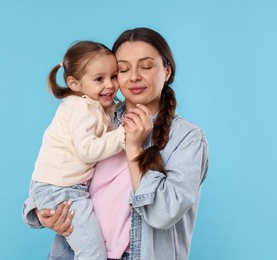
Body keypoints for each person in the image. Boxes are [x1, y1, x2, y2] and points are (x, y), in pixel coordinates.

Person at [22, 28, 209, 260]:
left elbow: (163, 213)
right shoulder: (96, 117)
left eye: (147, 66)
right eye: (122, 69)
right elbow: (52, 171)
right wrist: (43, 213)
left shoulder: (187, 139)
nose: (133, 77)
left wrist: (133, 148)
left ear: (167, 70)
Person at [28, 40, 126, 260]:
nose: (110, 85)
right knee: (92, 253)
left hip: (59, 187)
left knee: (72, 250)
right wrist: (123, 136)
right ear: (74, 83)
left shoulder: (90, 105)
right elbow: (87, 151)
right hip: (61, 190)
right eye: (99, 79)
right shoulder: (81, 107)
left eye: (113, 76)